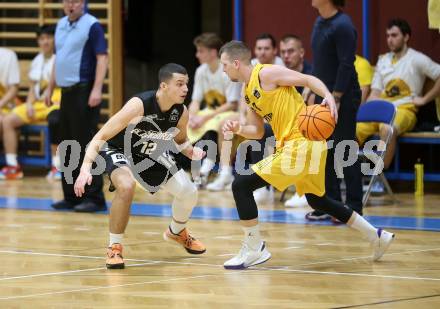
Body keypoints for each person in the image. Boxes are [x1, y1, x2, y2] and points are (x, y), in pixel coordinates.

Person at [219, 40, 394, 269]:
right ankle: (376, 236)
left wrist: (330, 98)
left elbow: (308, 79)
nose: (223, 70)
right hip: (303, 145)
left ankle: (254, 248)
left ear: (235, 62)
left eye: (224, 65)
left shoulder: (266, 73)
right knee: (317, 200)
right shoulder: (248, 93)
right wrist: (239, 129)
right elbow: (259, 131)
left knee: (241, 185)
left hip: (301, 143)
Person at [74, 63, 206, 269]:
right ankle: (114, 247)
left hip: (149, 153)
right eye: (179, 84)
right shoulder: (139, 105)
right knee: (126, 186)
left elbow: (182, 141)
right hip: (117, 149)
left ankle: (177, 231)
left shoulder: (181, 112)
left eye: (186, 84)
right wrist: (84, 168)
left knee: (189, 192)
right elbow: (100, 136)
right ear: (164, 86)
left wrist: (191, 151)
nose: (185, 89)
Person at [356, 18, 440, 180]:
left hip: (404, 110)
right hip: (380, 109)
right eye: (387, 36)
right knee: (350, 129)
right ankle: (345, 175)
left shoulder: (417, 59)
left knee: (387, 129)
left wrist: (424, 99)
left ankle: (378, 177)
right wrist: (362, 113)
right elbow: (375, 92)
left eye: (394, 35)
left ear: (406, 37)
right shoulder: (383, 60)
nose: (390, 40)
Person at [304, 0, 363, 222]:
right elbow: (320, 63)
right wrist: (312, 90)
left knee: (345, 149)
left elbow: (346, 64)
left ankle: (354, 207)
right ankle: (332, 205)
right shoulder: (319, 21)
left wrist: (336, 96)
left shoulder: (343, 25)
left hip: (343, 95)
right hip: (323, 94)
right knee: (323, 151)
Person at [46, 0, 107, 212]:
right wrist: (49, 88)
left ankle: (94, 197)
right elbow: (58, 59)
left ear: (83, 3)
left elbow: (102, 58)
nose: (70, 5)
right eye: (67, 1)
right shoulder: (60, 24)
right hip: (65, 93)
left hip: (85, 90)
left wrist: (97, 89)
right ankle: (71, 196)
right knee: (67, 145)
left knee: (87, 144)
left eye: (75, 1)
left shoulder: (92, 25)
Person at [0, 25, 62, 180]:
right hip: (38, 104)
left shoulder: (60, 58)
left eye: (48, 38)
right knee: (8, 121)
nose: (45, 42)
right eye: (42, 39)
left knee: (55, 119)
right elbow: (33, 88)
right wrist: (28, 104)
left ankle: (57, 166)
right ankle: (13, 166)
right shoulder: (37, 60)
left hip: (55, 101)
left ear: (55, 40)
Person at [187, 33, 241, 191]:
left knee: (212, 123)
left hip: (229, 111)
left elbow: (232, 104)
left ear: (212, 52)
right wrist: (192, 116)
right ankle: (182, 167)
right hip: (211, 111)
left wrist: (204, 118)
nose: (197, 55)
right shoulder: (201, 71)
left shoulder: (226, 70)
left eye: (200, 51)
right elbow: (196, 100)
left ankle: (208, 167)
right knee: (186, 123)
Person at [279, 34, 314, 208]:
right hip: (286, 124)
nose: (286, 55)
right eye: (283, 52)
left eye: (290, 51)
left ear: (301, 52)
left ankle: (303, 190)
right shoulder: (277, 74)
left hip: (310, 124)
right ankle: (265, 189)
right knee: (261, 133)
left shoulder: (313, 73)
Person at [0, 47, 20, 161]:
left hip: (5, 106)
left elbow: (14, 88)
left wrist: (1, 104)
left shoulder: (8, 55)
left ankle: (12, 165)